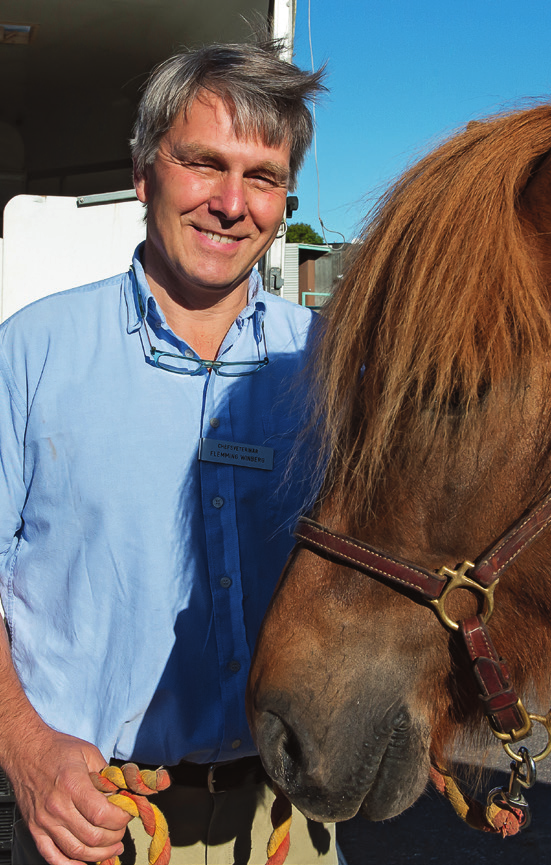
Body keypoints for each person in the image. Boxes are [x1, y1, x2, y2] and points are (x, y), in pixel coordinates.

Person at [0, 40, 335, 865]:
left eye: (262, 178)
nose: (231, 203)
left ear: (285, 200)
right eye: (203, 165)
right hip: (92, 818)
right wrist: (24, 748)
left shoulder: (327, 367)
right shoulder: (33, 353)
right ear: (146, 174)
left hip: (285, 820)